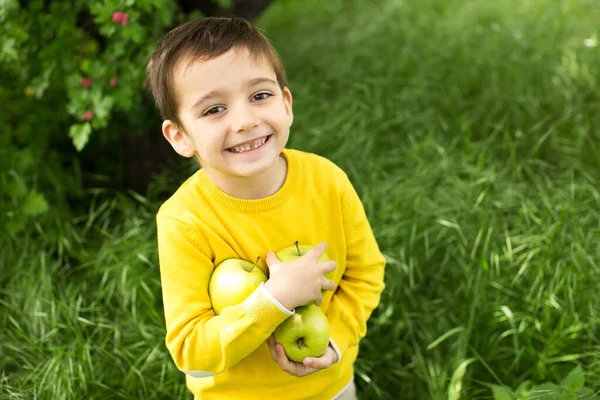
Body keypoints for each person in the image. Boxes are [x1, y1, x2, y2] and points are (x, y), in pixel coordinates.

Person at [147, 16, 386, 400]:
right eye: (213, 110)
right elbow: (192, 352)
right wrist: (272, 301)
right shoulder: (184, 221)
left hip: (329, 385)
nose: (244, 121)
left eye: (259, 96)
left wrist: (334, 341)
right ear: (180, 136)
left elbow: (366, 275)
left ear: (286, 103)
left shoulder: (327, 182)